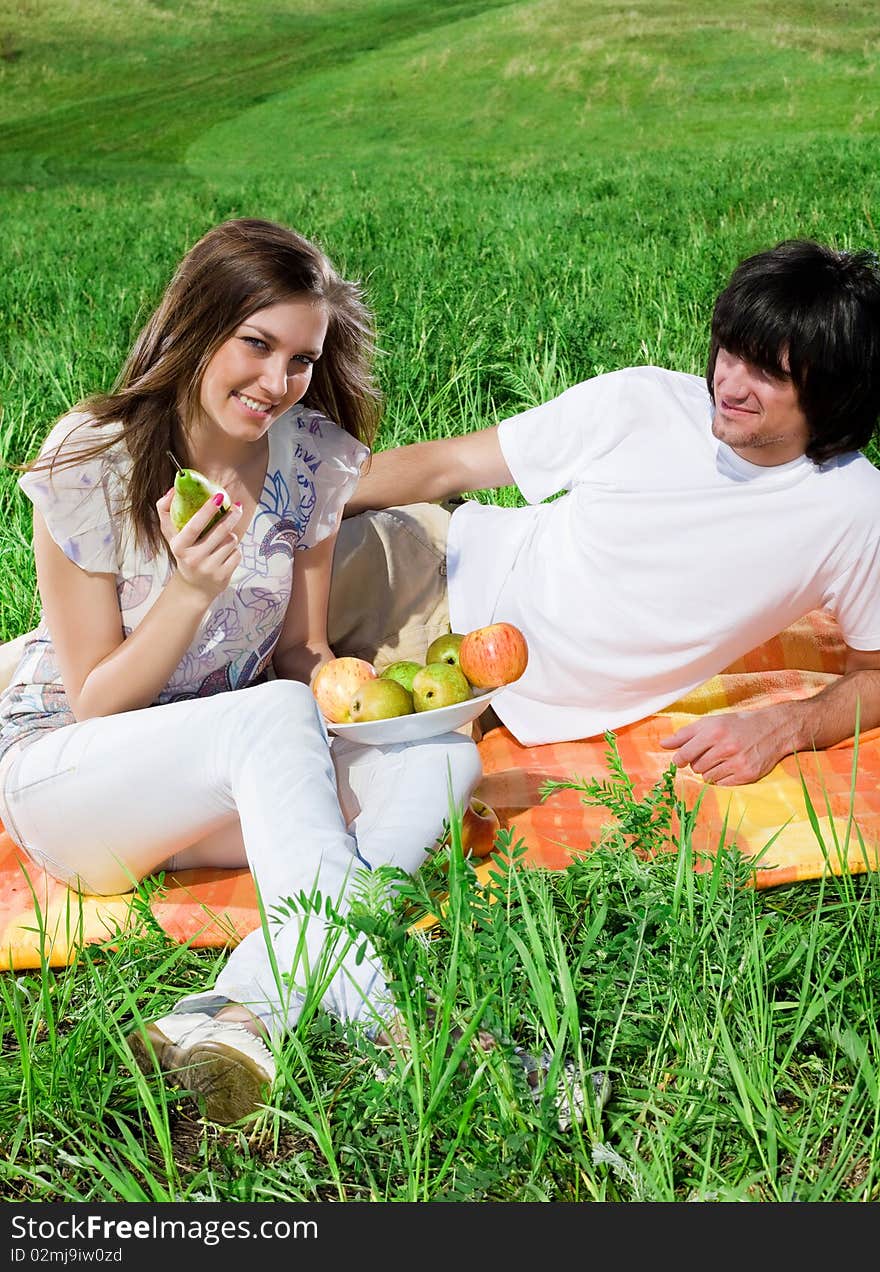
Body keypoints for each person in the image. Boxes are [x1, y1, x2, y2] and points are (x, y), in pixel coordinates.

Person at [0, 218, 481, 1124]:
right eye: (257, 345)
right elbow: (94, 704)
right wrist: (187, 591)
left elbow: (301, 655)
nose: (278, 382)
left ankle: (240, 1008)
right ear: (197, 326)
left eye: (301, 359)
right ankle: (395, 1014)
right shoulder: (92, 459)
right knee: (267, 714)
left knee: (443, 759)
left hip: (218, 777)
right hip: (68, 781)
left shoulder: (311, 461)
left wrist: (371, 705)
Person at [342, 239, 880, 787]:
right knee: (258, 584)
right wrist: (298, 505)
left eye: (769, 373)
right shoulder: (643, 402)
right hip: (436, 570)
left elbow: (875, 675)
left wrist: (784, 726)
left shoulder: (855, 510)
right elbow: (448, 465)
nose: (730, 384)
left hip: (484, 700)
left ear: (830, 391)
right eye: (731, 352)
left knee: (338, 791)